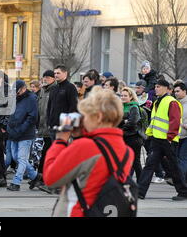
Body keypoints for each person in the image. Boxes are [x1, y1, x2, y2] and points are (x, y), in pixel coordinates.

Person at [44, 87, 134, 217]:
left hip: (78, 212)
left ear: (98, 117)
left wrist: (60, 141)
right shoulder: (127, 151)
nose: (82, 120)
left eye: (85, 116)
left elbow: (51, 178)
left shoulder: (85, 147)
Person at [138, 79, 187, 200]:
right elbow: (154, 121)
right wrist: (149, 133)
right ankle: (139, 192)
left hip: (167, 140)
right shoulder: (157, 102)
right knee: (150, 165)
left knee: (174, 166)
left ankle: (183, 192)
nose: (156, 88)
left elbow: (175, 121)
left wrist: (170, 137)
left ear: (166, 88)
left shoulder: (172, 102)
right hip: (157, 140)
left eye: (158, 87)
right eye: (155, 86)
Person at [6, 80, 39, 191]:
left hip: (25, 134)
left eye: (17, 91)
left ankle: (16, 182)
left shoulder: (31, 99)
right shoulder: (15, 98)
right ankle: (35, 176)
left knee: (21, 158)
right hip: (14, 133)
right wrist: (9, 128)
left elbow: (32, 117)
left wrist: (20, 129)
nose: (15, 93)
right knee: (16, 157)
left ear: (23, 88)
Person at [34, 70, 57, 190]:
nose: (45, 79)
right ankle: (41, 177)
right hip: (42, 127)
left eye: (48, 77)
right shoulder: (43, 90)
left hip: (51, 128)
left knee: (47, 153)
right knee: (44, 153)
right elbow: (39, 108)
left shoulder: (55, 90)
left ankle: (43, 177)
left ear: (53, 79)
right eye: (44, 77)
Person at [47, 65, 78, 140]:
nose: (56, 75)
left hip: (64, 126)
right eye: (55, 73)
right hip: (53, 126)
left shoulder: (70, 87)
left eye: (58, 73)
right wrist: (48, 122)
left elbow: (73, 106)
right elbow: (49, 106)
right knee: (55, 149)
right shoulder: (53, 88)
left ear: (65, 73)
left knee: (63, 149)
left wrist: (67, 126)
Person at [119, 87, 143, 182]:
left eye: (125, 96)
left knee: (135, 162)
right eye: (122, 95)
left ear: (131, 97)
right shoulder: (120, 107)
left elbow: (132, 122)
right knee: (124, 161)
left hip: (133, 138)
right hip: (124, 137)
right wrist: (123, 121)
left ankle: (141, 183)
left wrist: (121, 126)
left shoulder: (134, 107)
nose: (123, 97)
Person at [174, 83, 187, 181]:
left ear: (184, 91)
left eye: (178, 91)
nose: (176, 93)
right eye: (175, 92)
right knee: (178, 158)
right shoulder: (175, 103)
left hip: (186, 136)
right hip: (177, 136)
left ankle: (180, 180)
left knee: (182, 158)